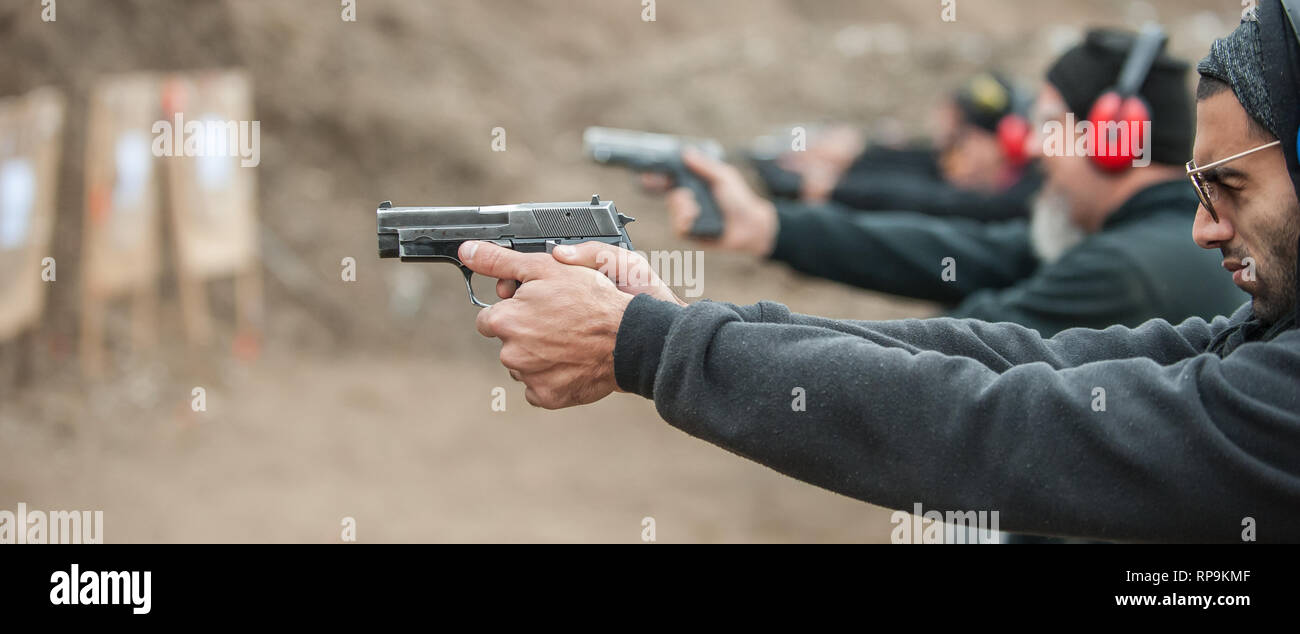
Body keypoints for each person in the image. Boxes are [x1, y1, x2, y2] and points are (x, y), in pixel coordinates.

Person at [454, 2, 1300, 542]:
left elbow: (988, 421)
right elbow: (996, 353)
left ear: (1116, 138)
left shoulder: (1194, 311)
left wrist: (652, 345)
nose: (1204, 226)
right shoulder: (1259, 331)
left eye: (1228, 185)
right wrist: (675, 322)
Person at [671, 29, 1245, 338]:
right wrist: (767, 226)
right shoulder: (1141, 240)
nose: (1039, 151)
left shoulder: (1127, 270)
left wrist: (681, 336)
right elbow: (950, 251)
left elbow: (938, 351)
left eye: (1050, 128)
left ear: (1115, 137)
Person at [755, 72, 1044, 222]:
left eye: (958, 145)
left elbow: (931, 200)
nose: (947, 159)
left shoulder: (1015, 202)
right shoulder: (1001, 172)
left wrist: (833, 188)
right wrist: (856, 157)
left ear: (1000, 145)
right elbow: (923, 166)